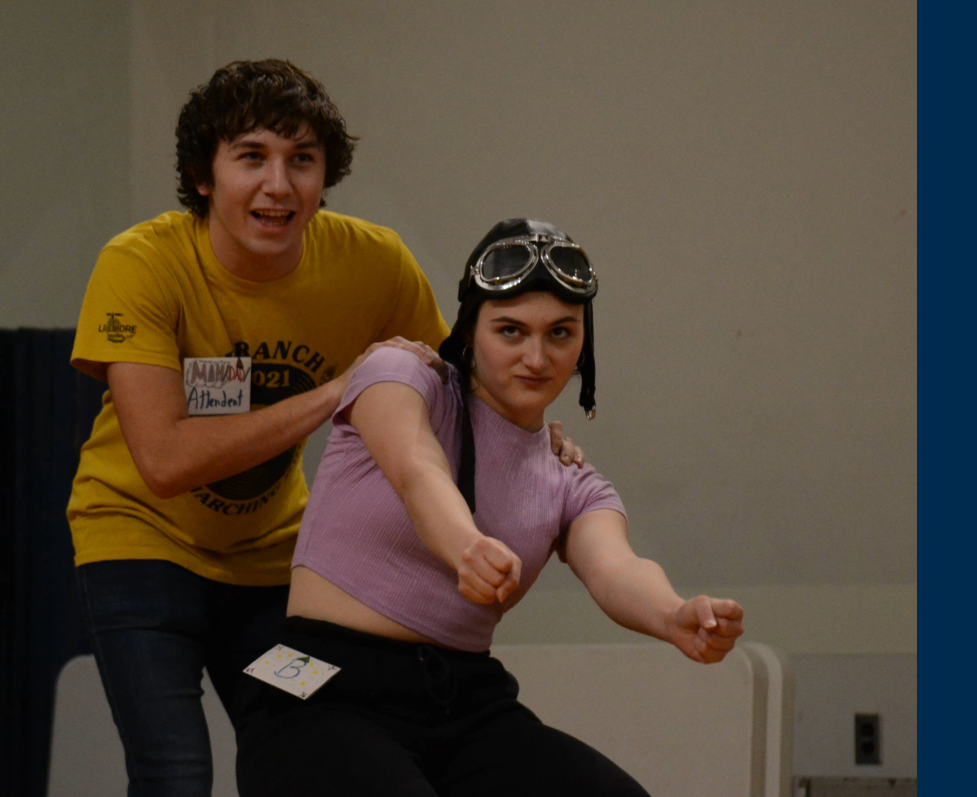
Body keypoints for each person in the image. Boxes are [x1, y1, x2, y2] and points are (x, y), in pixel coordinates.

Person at [66, 62, 581, 797]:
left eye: (301, 160)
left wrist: (541, 438)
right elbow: (166, 459)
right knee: (176, 772)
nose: (279, 185)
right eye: (252, 157)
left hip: (275, 559)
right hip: (139, 546)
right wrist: (343, 388)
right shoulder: (140, 264)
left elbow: (466, 391)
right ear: (202, 175)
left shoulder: (373, 261)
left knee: (304, 744)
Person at [234, 219, 746, 797]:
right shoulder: (402, 377)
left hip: (464, 705)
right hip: (322, 692)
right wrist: (464, 545)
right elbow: (415, 468)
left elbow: (616, 567)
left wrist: (672, 615)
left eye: (560, 333)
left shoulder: (569, 477)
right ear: (471, 330)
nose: (536, 357)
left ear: (584, 343)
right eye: (510, 331)